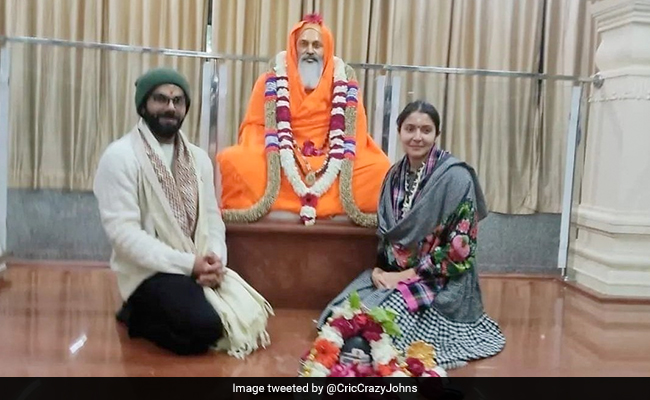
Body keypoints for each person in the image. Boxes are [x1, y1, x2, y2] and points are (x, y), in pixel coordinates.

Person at [94, 68, 272, 356]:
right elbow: (124, 236)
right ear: (143, 106)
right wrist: (189, 264)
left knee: (252, 312)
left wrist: (215, 260)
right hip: (149, 272)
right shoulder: (120, 157)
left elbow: (212, 218)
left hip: (195, 266)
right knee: (203, 327)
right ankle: (134, 313)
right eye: (160, 99)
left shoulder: (198, 158)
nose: (170, 107)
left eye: (178, 101)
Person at [317, 100, 505, 369]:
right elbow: (388, 237)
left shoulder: (456, 178)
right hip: (396, 271)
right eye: (410, 129)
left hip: (442, 279)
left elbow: (460, 251)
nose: (417, 137)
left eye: (426, 130)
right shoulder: (394, 175)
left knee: (386, 327)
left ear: (436, 134)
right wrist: (380, 271)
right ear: (400, 131)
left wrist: (405, 276)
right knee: (341, 312)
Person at [217, 14, 390, 226]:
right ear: (294, 48)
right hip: (280, 156)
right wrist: (274, 152)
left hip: (331, 158)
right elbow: (254, 126)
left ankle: (295, 206)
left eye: (317, 45)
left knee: (378, 168)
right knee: (236, 161)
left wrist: (333, 156)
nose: (310, 50)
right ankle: (323, 207)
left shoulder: (344, 83)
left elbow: (356, 132)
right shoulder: (270, 80)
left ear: (327, 50)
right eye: (304, 44)